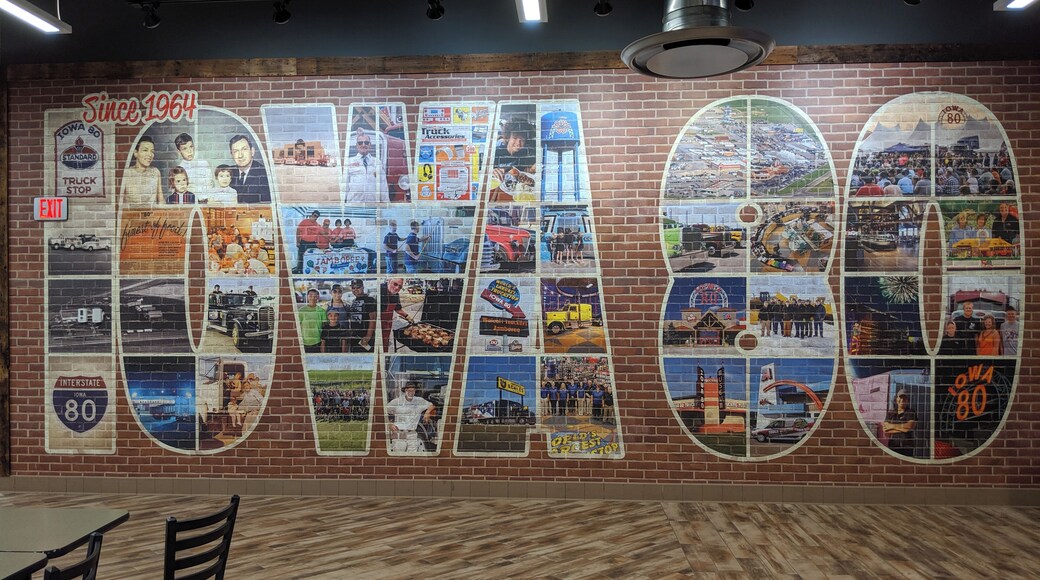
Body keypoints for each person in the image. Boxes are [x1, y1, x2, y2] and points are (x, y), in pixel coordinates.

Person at [385, 382, 435, 453]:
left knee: (412, 458)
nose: (411, 393)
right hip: (399, 434)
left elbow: (431, 405)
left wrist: (427, 413)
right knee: (399, 457)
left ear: (415, 391)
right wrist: (389, 424)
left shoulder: (419, 401)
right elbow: (383, 411)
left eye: (413, 391)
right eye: (409, 391)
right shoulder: (397, 401)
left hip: (412, 434)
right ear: (405, 391)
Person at [344, 129, 389, 203]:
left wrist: (386, 204)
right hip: (354, 205)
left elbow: (383, 185)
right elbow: (344, 186)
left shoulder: (377, 162)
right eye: (360, 143)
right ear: (356, 145)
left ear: (370, 145)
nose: (363, 145)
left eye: (366, 142)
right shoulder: (349, 162)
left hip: (373, 205)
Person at [228, 134, 271, 203]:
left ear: (252, 151)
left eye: (244, 149)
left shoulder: (264, 174)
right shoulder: (228, 172)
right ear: (232, 155)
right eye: (236, 151)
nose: (240, 155)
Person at [121, 136, 162, 205]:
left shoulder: (155, 172)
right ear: (136, 153)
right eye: (145, 150)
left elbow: (161, 200)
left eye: (152, 151)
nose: (150, 154)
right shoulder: (126, 173)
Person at [174, 132, 212, 197]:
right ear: (179, 152)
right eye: (185, 148)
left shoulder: (204, 163)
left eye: (191, 147)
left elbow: (210, 184)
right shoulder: (179, 169)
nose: (189, 151)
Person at [379, 278, 414, 350]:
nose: (397, 288)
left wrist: (407, 316)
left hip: (387, 325)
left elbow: (398, 309)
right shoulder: (380, 290)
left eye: (400, 287)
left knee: (385, 345)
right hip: (377, 325)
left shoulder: (396, 295)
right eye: (395, 284)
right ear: (389, 281)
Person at [882, 388, 917, 456]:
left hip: (907, 447)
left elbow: (909, 427)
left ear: (907, 400)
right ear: (896, 399)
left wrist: (892, 426)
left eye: (905, 398)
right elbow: (885, 429)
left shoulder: (911, 412)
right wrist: (903, 428)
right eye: (900, 397)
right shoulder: (891, 413)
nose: (902, 400)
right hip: (893, 446)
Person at [346, 279, 377, 352]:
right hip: (354, 337)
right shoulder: (354, 301)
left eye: (358, 287)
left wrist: (368, 336)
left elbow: (373, 318)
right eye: (353, 288)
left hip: (365, 338)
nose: (355, 289)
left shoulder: (369, 300)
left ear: (363, 287)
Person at [297, 288, 327, 354]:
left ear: (318, 297)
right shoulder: (301, 311)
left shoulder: (322, 311)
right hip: (304, 342)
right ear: (307, 297)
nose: (312, 298)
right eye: (310, 296)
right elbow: (298, 326)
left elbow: (324, 327)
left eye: (315, 296)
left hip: (317, 341)